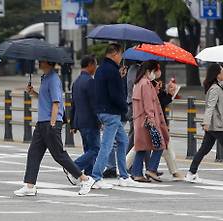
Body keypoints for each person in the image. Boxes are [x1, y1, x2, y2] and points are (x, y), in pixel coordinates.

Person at [14, 60, 95, 197]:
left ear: (49, 63)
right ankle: (29, 185)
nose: (39, 63)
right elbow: (45, 99)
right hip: (42, 123)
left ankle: (85, 179)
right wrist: (33, 92)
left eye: (42, 61)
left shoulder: (53, 79)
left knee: (59, 155)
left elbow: (56, 102)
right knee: (34, 153)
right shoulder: (45, 78)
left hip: (50, 123)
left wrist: (52, 123)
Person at [90, 43, 140, 189]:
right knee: (106, 146)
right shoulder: (111, 71)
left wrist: (119, 76)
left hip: (103, 110)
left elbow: (105, 89)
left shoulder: (101, 70)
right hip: (111, 113)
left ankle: (124, 176)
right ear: (114, 54)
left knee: (123, 140)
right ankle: (95, 177)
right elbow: (115, 94)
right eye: (120, 55)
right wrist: (124, 107)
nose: (121, 58)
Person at [130, 60, 169, 182]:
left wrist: (155, 90)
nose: (154, 74)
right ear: (148, 71)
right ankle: (151, 169)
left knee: (142, 147)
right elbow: (148, 103)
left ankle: (136, 173)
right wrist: (151, 118)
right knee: (160, 144)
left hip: (139, 120)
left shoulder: (138, 83)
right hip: (148, 121)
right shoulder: (146, 83)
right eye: (153, 71)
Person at [68, 55, 99, 180]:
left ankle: (89, 176)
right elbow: (94, 104)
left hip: (80, 122)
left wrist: (72, 124)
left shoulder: (76, 82)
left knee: (88, 150)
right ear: (90, 65)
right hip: (90, 121)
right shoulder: (90, 81)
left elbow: (73, 104)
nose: (96, 68)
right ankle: (74, 167)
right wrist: (99, 120)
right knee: (95, 149)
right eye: (95, 65)